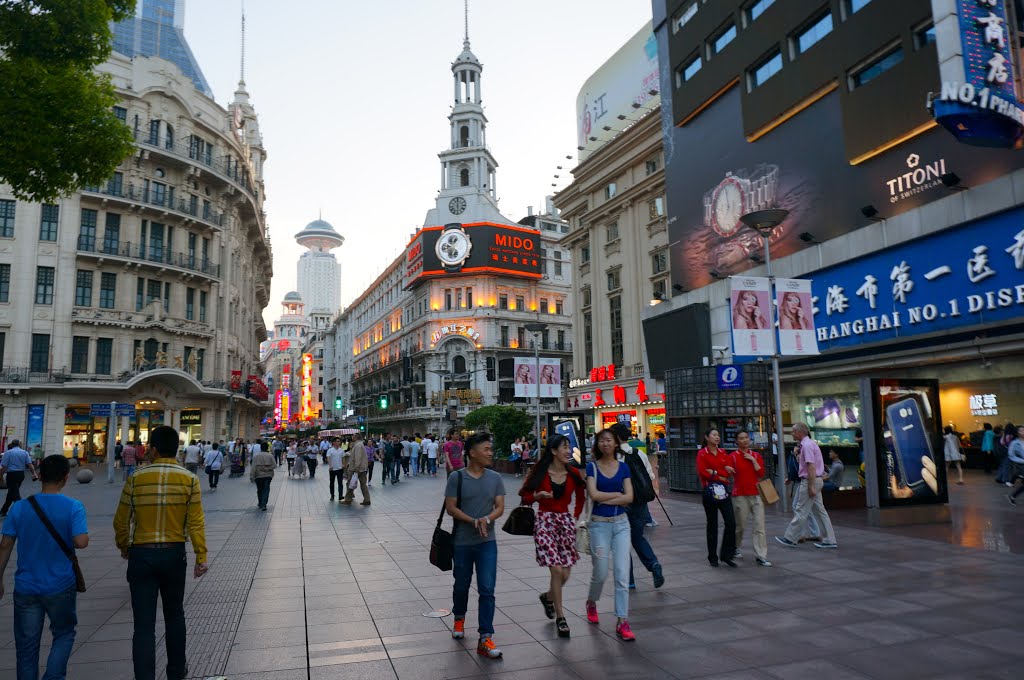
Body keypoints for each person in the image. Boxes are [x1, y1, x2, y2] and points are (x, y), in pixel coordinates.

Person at [113, 425, 208, 680]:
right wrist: (201, 556)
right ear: (176, 448)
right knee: (175, 615)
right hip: (174, 554)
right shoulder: (189, 479)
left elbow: (121, 521)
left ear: (153, 449)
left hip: (141, 555)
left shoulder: (136, 478)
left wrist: (125, 547)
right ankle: (176, 672)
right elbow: (196, 522)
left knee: (143, 625)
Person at [0, 455, 88, 680]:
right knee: (64, 634)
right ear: (66, 478)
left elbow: (5, 546)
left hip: (26, 586)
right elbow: (81, 542)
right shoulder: (73, 507)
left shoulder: (19, 508)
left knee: (27, 646)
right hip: (61, 585)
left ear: (39, 476)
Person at [446, 431, 505, 659]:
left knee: (487, 590)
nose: (491, 453)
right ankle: (459, 617)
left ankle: (485, 637)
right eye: (486, 449)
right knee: (461, 585)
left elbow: (500, 507)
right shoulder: (457, 478)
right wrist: (473, 521)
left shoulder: (495, 478)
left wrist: (487, 519)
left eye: (491, 449)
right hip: (462, 541)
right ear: (472, 453)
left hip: (487, 542)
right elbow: (451, 507)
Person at [519, 433, 585, 637]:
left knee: (565, 573)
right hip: (544, 522)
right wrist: (537, 496)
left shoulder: (573, 473)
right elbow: (524, 495)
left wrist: (574, 518)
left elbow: (581, 499)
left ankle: (548, 597)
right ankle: (561, 617)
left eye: (569, 447)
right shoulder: (539, 471)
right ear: (554, 451)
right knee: (556, 571)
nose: (568, 451)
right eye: (564, 447)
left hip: (565, 523)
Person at [584, 428, 636, 641]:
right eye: (601, 440)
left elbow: (630, 497)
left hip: (622, 525)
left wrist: (606, 499)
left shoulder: (624, 468)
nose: (605, 443)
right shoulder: (592, 467)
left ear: (616, 444)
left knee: (622, 575)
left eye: (609, 440)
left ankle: (622, 621)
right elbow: (593, 494)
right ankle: (591, 601)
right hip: (598, 526)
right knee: (602, 572)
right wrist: (617, 495)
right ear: (598, 444)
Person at [609, 423, 664, 589]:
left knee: (622, 541)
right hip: (639, 502)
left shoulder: (613, 456)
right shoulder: (639, 453)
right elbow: (650, 475)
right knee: (638, 537)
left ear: (617, 437)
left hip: (621, 502)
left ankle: (629, 580)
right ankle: (653, 563)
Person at [775, 422, 838, 550]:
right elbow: (806, 465)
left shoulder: (807, 445)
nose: (792, 433)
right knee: (820, 511)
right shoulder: (808, 445)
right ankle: (829, 539)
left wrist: (810, 486)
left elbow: (810, 466)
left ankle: (790, 537)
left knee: (801, 509)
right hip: (816, 479)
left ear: (800, 432)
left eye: (793, 431)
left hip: (810, 480)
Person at [697, 428, 737, 568]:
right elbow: (703, 472)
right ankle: (712, 557)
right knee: (712, 525)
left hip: (724, 491)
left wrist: (715, 473)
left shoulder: (722, 453)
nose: (717, 437)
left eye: (718, 435)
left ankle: (726, 554)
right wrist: (720, 473)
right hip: (709, 493)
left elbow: (728, 472)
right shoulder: (702, 454)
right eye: (714, 435)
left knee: (731, 523)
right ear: (707, 437)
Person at [730, 431, 771, 567]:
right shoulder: (733, 457)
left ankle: (761, 555)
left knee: (759, 526)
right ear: (737, 441)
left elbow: (761, 473)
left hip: (756, 494)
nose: (745, 440)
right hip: (740, 495)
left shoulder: (756, 456)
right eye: (741, 438)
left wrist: (753, 461)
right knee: (740, 525)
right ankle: (735, 546)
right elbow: (727, 472)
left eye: (746, 438)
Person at [1, 441, 37, 517]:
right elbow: (29, 464)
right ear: (19, 445)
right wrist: (34, 473)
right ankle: (3, 510)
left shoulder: (8, 453)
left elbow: (3, 466)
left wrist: (0, 476)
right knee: (12, 492)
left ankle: (23, 510)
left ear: (12, 445)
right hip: (21, 474)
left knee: (15, 494)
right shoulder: (24, 452)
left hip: (11, 475)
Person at [342, 432, 371, 506]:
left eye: (353, 436)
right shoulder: (360, 444)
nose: (352, 437)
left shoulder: (357, 445)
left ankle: (348, 499)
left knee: (350, 483)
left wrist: (356, 468)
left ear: (355, 437)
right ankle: (367, 499)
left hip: (356, 469)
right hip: (362, 468)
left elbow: (358, 457)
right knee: (363, 484)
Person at [250, 442, 276, 511]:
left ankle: (260, 502)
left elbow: (253, 467)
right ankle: (264, 504)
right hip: (268, 475)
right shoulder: (270, 456)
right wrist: (267, 468)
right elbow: (274, 465)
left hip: (258, 476)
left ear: (260, 448)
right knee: (266, 489)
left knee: (260, 489)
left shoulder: (256, 456)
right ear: (267, 448)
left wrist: (251, 476)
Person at [1005, 425, 1024, 505]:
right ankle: (1012, 496)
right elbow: (1011, 455)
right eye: (1021, 430)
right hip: (1021, 466)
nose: (1023, 432)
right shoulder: (1014, 443)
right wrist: (1022, 460)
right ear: (1017, 433)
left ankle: (1012, 496)